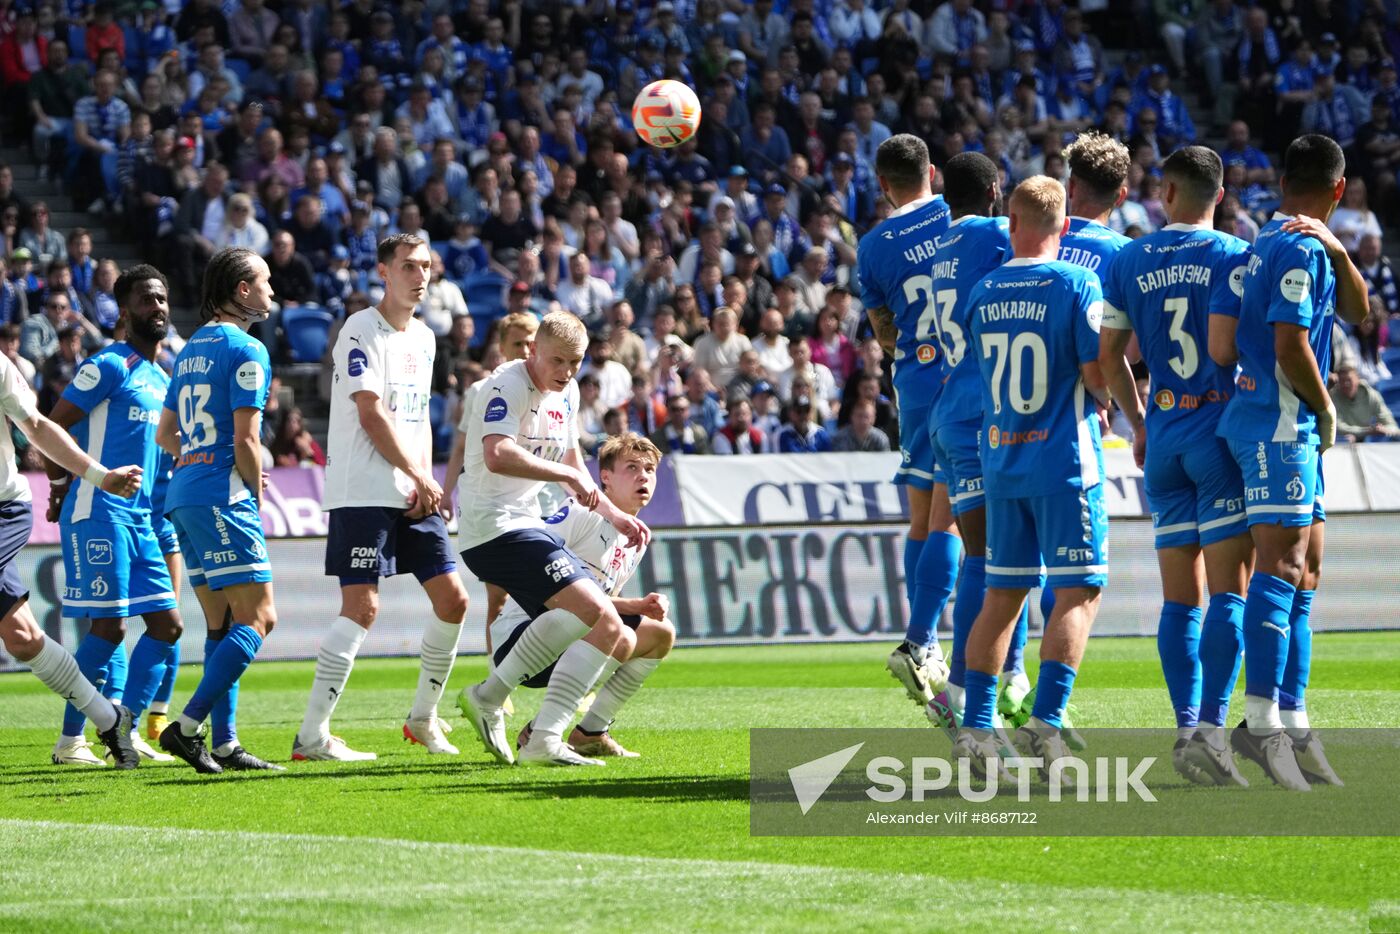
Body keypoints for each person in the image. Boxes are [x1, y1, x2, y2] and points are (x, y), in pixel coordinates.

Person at [1097, 146, 1254, 786]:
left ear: (1166, 191)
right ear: (1220, 195)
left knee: (1179, 601)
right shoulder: (1235, 257)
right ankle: (1213, 730)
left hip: (1161, 440)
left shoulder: (1129, 257)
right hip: (1218, 436)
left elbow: (1111, 358)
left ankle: (1186, 724)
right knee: (1231, 595)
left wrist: (1137, 424)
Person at [1213, 135, 1365, 789]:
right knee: (1279, 571)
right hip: (1281, 427)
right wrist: (1327, 409)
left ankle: (1294, 720)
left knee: (1304, 574)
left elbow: (1360, 311)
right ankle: (1260, 725)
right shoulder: (1298, 249)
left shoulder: (1263, 245)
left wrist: (1338, 249)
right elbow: (1290, 344)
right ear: (1339, 189)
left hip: (1277, 424)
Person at [955, 175, 1110, 781]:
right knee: (1078, 591)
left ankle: (978, 729)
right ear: (1065, 227)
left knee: (1002, 598)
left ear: (1012, 223)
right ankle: (1048, 724)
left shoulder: (984, 290)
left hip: (1001, 462)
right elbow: (1096, 374)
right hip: (1064, 464)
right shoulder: (1078, 282)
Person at [293, 234, 469, 762]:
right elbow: (371, 415)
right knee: (363, 607)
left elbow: (416, 420)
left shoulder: (426, 338)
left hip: (413, 489)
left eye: (427, 267)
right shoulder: (360, 329)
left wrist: (425, 478)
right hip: (364, 489)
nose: (421, 276)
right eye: (410, 266)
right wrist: (419, 474)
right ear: (384, 272)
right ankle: (312, 736)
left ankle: (422, 718)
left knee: (454, 599)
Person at [455, 312, 647, 767]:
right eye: (556, 360)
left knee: (597, 621)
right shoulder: (505, 385)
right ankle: (532, 731)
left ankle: (499, 704)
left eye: (575, 363)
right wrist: (563, 473)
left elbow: (572, 459)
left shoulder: (568, 393)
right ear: (533, 351)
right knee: (599, 614)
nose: (565, 372)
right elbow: (496, 454)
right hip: (491, 526)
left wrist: (612, 512)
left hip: (526, 523)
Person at [44, 265, 185, 767]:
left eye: (163, 298)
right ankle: (70, 742)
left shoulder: (162, 379)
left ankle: (121, 725)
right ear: (124, 312)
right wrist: (62, 487)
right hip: (98, 510)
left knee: (168, 627)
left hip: (143, 519)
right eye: (148, 299)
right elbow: (53, 427)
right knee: (108, 629)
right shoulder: (109, 365)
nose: (159, 307)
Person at [154, 247, 281, 773]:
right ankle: (187, 728)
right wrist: (251, 489)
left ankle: (225, 744)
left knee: (222, 622)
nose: (273, 290)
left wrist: (198, 461)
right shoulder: (247, 350)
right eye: (265, 281)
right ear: (242, 291)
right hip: (219, 497)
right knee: (260, 617)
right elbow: (247, 440)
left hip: (182, 493)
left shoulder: (186, 352)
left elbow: (166, 434)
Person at [919, 153, 1029, 737]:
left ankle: (997, 678)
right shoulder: (993, 235)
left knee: (988, 556)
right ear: (994, 192)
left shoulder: (939, 251)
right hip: (985, 411)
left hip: (949, 408)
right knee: (997, 559)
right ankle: (969, 690)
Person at [0, 343, 145, 769]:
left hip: (3, 508)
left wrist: (99, 476)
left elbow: (38, 427)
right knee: (21, 638)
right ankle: (108, 718)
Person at [496, 434, 674, 759]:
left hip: (577, 638)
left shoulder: (636, 536)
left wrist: (638, 606)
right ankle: (543, 734)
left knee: (660, 634)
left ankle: (590, 732)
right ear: (604, 477)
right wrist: (633, 606)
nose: (643, 476)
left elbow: (601, 601)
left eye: (649, 469)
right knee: (617, 632)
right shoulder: (581, 510)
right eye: (632, 467)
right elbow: (531, 563)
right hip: (524, 639)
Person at [857, 134, 956, 706]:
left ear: (883, 184)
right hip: (963, 375)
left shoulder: (872, 246)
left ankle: (925, 635)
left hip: (915, 381)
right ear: (934, 172)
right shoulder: (962, 217)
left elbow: (885, 332)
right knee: (955, 520)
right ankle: (924, 640)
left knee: (923, 514)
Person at [1330, 363, 1400, 442]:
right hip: (1342, 439)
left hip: (1364, 438)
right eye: (1342, 381)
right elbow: (1337, 427)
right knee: (1347, 439)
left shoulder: (1372, 395)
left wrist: (1385, 430)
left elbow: (1392, 425)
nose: (1346, 384)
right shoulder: (1332, 397)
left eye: (1349, 380)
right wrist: (1367, 431)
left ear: (1357, 379)